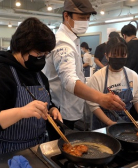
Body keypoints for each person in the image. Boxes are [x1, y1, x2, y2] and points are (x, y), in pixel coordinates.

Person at [0, 17, 62, 159]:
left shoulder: (38, 76)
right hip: (2, 154)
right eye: (39, 53)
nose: (42, 58)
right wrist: (21, 112)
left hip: (35, 150)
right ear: (21, 47)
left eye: (45, 54)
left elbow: (44, 103)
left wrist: (52, 109)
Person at [43, 0, 125, 130]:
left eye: (87, 18)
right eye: (81, 18)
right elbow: (69, 81)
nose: (85, 22)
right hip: (61, 110)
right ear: (66, 16)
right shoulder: (63, 43)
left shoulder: (71, 39)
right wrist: (101, 98)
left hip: (68, 107)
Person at [86, 37, 138, 130]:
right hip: (102, 126)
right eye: (115, 56)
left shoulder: (133, 75)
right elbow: (93, 105)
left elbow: (137, 99)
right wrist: (109, 122)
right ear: (107, 55)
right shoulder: (98, 76)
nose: (119, 59)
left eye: (122, 55)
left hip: (125, 125)